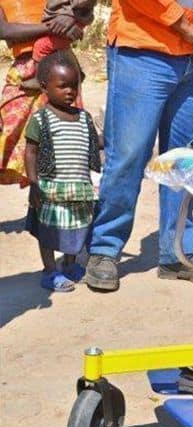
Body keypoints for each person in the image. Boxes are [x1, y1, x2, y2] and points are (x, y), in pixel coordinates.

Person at [84, 0, 193, 292]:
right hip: (143, 50)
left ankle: (177, 251)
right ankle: (105, 247)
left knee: (188, 159)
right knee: (129, 155)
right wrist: (183, 25)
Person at [24, 51, 101, 292]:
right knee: (49, 232)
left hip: (78, 188)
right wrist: (34, 184)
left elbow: (93, 143)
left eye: (74, 86)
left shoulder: (84, 118)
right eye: (63, 86)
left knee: (76, 230)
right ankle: (49, 272)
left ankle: (69, 264)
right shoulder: (41, 119)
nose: (70, 91)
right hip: (50, 189)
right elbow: (31, 153)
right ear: (45, 87)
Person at [0, 0, 67, 186]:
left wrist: (64, 26)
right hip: (24, 69)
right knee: (9, 132)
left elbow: (72, 18)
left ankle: (37, 209)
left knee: (54, 142)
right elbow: (4, 30)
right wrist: (51, 28)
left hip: (59, 65)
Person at [20, 0, 96, 92]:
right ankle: (77, 73)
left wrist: (70, 15)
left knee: (41, 46)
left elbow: (84, 2)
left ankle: (39, 78)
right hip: (68, 22)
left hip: (71, 22)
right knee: (60, 47)